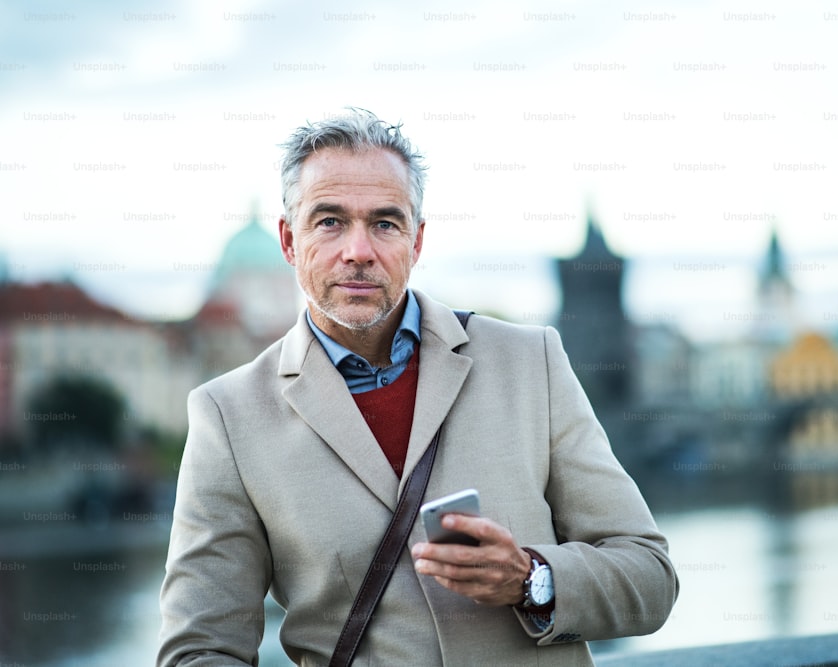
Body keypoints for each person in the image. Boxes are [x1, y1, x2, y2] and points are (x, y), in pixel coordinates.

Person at [157, 108, 679, 666]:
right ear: (289, 240)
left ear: (417, 240)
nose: (358, 250)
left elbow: (650, 578)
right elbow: (200, 649)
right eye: (329, 221)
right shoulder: (228, 415)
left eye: (385, 223)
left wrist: (532, 579)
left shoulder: (531, 362)